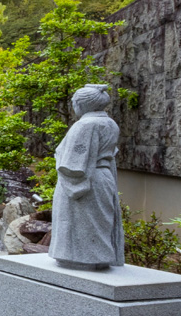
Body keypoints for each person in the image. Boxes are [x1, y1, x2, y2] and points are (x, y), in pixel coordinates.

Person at [49, 84, 125, 269]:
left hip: (86, 180)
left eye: (74, 102)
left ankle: (81, 260)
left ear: (82, 104)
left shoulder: (84, 125)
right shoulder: (110, 123)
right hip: (103, 178)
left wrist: (71, 182)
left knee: (79, 224)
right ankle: (98, 258)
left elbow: (72, 165)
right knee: (99, 223)